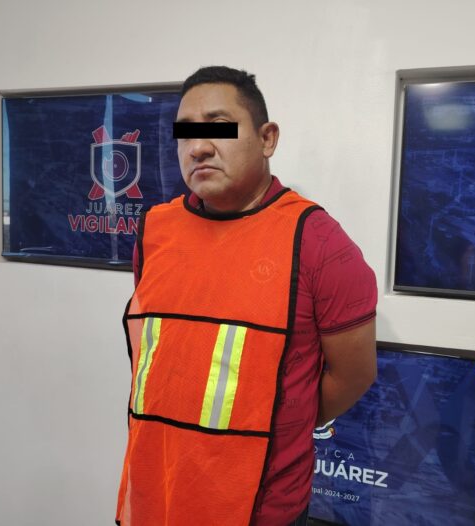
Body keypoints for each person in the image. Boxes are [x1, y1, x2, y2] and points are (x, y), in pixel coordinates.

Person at [115, 66, 377, 526]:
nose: (198, 147)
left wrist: (278, 421)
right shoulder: (154, 229)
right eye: (185, 133)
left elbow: (353, 375)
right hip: (155, 493)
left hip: (259, 510)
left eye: (218, 127)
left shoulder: (318, 243)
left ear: (267, 138)